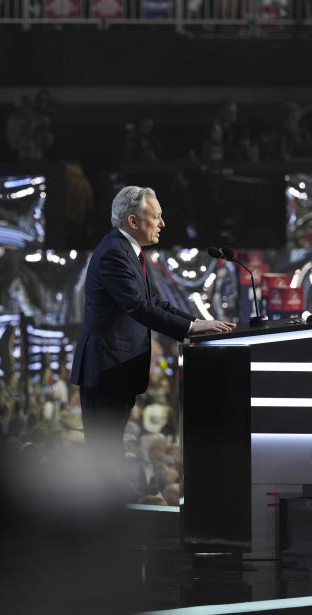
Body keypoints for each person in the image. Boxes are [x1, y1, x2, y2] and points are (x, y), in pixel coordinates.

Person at [69, 186, 235, 474]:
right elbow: (139, 307)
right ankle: (105, 516)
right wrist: (192, 327)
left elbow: (151, 301)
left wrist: (194, 323)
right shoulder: (114, 254)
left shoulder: (126, 251)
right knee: (104, 456)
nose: (162, 223)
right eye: (156, 217)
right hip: (107, 370)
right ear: (133, 221)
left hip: (114, 371)